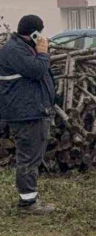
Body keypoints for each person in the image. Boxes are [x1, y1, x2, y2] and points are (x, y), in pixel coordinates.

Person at [0, 15, 57, 214]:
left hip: (33, 111)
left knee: (32, 156)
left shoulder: (21, 48)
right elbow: (36, 70)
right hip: (26, 114)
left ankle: (30, 197)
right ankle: (27, 204)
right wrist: (42, 53)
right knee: (28, 157)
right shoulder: (14, 50)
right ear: (34, 32)